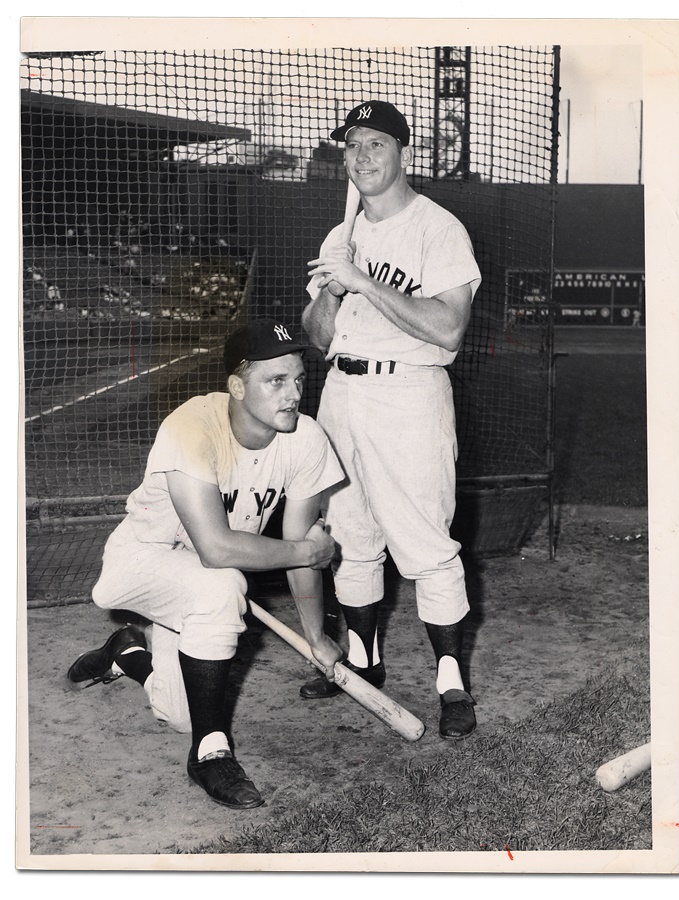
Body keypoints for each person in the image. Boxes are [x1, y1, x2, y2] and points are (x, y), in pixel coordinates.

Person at [66, 319, 345, 809]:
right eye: (275, 381)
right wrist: (304, 552)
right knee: (222, 585)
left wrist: (317, 637)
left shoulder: (306, 439)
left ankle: (126, 652)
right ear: (236, 386)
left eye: (298, 379)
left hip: (198, 581)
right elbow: (220, 549)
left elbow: (301, 545)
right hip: (142, 561)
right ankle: (210, 754)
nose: (293, 393)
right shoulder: (191, 426)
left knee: (178, 712)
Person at [302, 100, 483, 740]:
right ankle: (362, 660)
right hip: (342, 394)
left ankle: (451, 679)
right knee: (350, 536)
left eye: (375, 144)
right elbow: (318, 337)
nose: (360, 158)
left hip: (409, 394)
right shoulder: (339, 235)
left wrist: (367, 282)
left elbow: (448, 327)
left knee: (428, 545)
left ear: (403, 152)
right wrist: (333, 287)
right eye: (351, 147)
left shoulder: (439, 229)